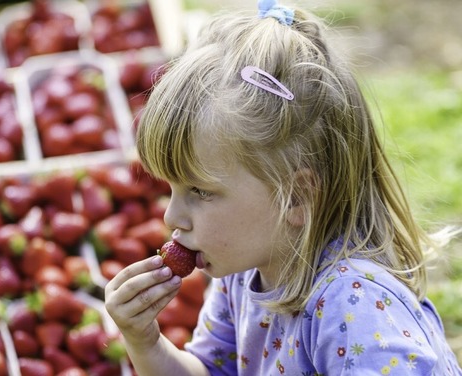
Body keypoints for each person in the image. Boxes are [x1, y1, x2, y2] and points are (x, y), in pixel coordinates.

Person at [103, 0, 462, 374]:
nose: (170, 216)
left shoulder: (355, 309)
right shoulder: (245, 269)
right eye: (173, 190)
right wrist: (145, 342)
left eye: (201, 191)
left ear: (297, 196)